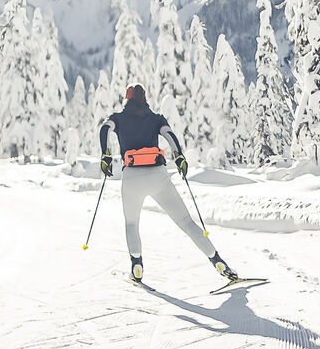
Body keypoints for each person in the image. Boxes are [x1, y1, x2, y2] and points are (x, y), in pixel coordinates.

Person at [98, 83, 240, 288]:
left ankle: (136, 266)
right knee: (187, 222)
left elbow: (104, 129)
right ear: (145, 99)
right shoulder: (157, 119)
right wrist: (179, 157)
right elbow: (169, 135)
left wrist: (105, 155)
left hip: (131, 178)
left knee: (131, 224)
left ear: (126, 99)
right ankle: (217, 261)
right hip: (158, 176)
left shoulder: (117, 118)